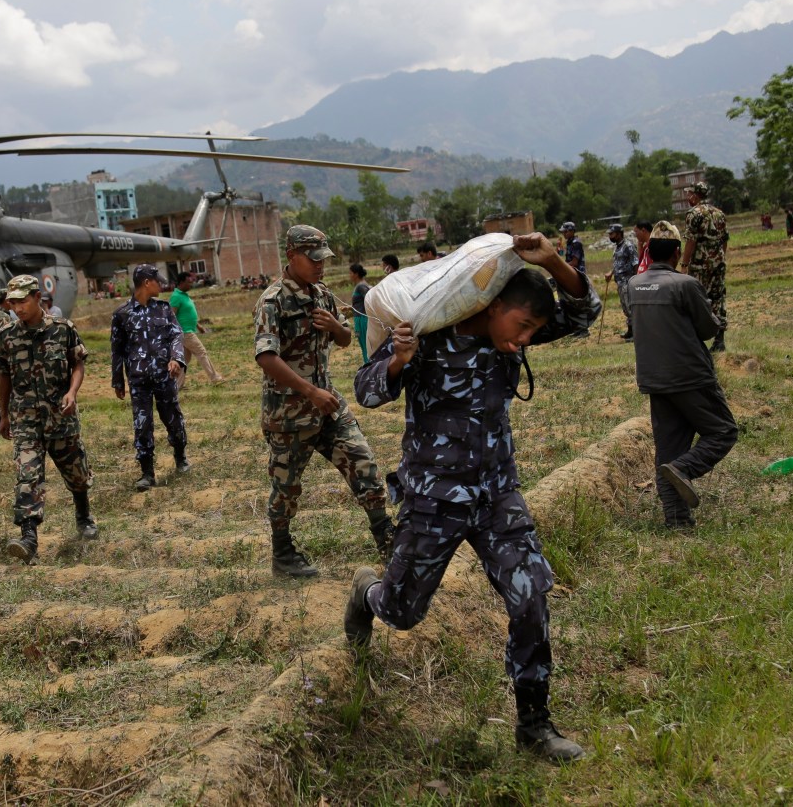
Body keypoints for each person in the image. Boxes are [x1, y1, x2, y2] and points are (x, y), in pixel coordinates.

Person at [344, 232, 599, 764]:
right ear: (492, 306)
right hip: (433, 498)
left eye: (533, 330)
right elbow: (367, 391)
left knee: (530, 597)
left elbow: (582, 312)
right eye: (523, 326)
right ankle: (367, 595)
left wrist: (552, 260)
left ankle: (534, 724)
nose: (527, 339)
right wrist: (399, 359)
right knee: (402, 612)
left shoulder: (507, 336)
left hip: (497, 494)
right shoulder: (430, 334)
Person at [254, 225, 395, 579]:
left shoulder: (322, 294)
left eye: (324, 259)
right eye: (313, 259)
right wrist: (310, 392)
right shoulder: (272, 301)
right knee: (286, 487)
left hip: (328, 403)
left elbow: (346, 339)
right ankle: (283, 554)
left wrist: (334, 326)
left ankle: (387, 539)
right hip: (290, 413)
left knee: (362, 461)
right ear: (292, 256)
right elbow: (267, 358)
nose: (321, 265)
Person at [628, 221, 738, 530]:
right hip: (690, 375)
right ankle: (683, 469)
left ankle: (677, 521)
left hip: (654, 379)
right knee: (722, 432)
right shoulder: (685, 284)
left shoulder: (634, 286)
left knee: (668, 448)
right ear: (677, 253)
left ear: (648, 251)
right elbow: (707, 329)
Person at [0, 274, 96, 562]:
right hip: (25, 419)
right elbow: (4, 375)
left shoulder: (63, 329)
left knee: (76, 474)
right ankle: (29, 538)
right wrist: (4, 414)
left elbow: (77, 363)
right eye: (13, 303)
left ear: (38, 298)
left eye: (23, 301)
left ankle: (84, 516)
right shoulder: (7, 336)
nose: (17, 308)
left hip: (60, 417)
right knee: (27, 476)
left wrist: (73, 392)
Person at [111, 264, 188, 490]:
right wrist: (117, 381)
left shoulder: (164, 309)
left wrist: (177, 359)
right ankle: (147, 472)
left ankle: (180, 457)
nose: (161, 284)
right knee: (142, 424)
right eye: (157, 281)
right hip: (138, 381)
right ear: (146, 283)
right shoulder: (122, 314)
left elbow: (177, 335)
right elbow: (117, 350)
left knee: (173, 418)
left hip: (164, 377)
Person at [678, 182, 729, 352]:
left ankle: (696, 340)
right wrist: (720, 257)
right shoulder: (719, 213)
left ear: (694, 195)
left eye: (689, 194)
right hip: (718, 262)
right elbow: (724, 240)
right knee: (718, 297)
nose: (687, 197)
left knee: (697, 299)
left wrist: (684, 264)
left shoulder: (693, 214)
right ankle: (719, 339)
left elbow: (691, 241)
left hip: (700, 265)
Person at [169, 271, 223, 389]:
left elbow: (188, 314)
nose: (191, 285)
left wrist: (199, 326)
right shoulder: (176, 296)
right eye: (189, 282)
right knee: (201, 352)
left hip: (188, 331)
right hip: (185, 332)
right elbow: (171, 316)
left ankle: (177, 385)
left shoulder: (184, 295)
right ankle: (215, 378)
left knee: (184, 360)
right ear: (182, 282)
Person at [605, 223, 639, 341]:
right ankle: (630, 331)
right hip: (620, 282)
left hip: (628, 282)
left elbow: (635, 264)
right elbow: (618, 264)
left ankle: (636, 333)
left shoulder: (628, 246)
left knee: (631, 307)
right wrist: (611, 273)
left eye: (612, 234)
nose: (610, 236)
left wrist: (635, 281)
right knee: (625, 308)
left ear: (619, 234)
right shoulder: (618, 247)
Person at [349, 263, 373, 364]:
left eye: (350, 273)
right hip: (358, 319)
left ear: (356, 274)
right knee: (363, 343)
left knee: (365, 344)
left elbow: (369, 299)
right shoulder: (360, 286)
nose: (349, 275)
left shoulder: (361, 286)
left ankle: (369, 365)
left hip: (362, 320)